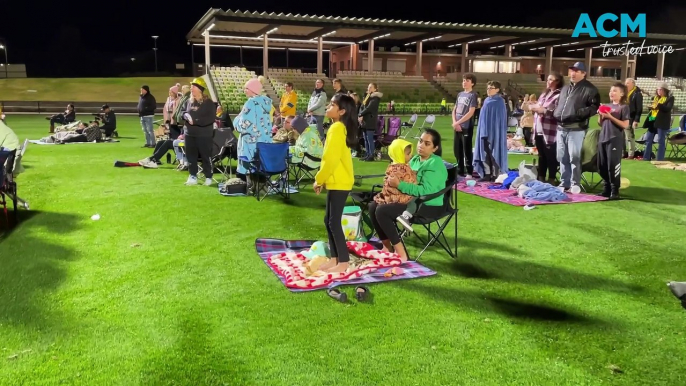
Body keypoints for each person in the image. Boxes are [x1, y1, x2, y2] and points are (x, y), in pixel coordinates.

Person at [368, 129, 447, 262]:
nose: (421, 145)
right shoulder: (414, 159)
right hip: (409, 199)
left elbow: (425, 190)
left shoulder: (436, 164)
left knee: (382, 211)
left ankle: (401, 253)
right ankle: (387, 247)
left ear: (435, 148)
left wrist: (399, 185)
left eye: (427, 143)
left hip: (426, 204)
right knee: (373, 205)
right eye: (420, 141)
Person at [312, 94, 357, 274]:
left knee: (333, 222)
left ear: (342, 111)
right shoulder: (337, 127)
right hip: (336, 181)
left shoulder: (337, 128)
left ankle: (343, 261)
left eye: (332, 104)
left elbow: (329, 159)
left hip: (340, 182)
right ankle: (335, 258)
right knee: (328, 220)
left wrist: (319, 179)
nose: (328, 107)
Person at [553, 62, 600, 191]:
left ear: (583, 73)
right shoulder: (565, 88)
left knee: (574, 156)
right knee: (562, 157)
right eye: (571, 71)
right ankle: (564, 183)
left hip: (577, 128)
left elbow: (594, 107)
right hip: (561, 127)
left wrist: (581, 113)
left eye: (576, 71)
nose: (572, 73)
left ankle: (575, 183)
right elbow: (560, 104)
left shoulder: (590, 89)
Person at [370, 139, 420, 232]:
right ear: (400, 154)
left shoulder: (391, 167)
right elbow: (411, 183)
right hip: (402, 198)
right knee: (414, 201)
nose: (410, 156)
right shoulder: (404, 168)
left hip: (389, 197)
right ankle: (406, 216)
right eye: (408, 154)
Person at [234, 78, 273, 193]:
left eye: (246, 88)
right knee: (261, 163)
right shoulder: (266, 103)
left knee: (250, 163)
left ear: (252, 90)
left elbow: (244, 124)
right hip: (264, 140)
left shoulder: (250, 103)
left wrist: (236, 122)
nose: (244, 90)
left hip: (250, 142)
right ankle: (262, 188)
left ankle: (250, 188)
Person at [597, 82, 630, 200]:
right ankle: (606, 189)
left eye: (615, 90)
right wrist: (601, 115)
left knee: (613, 165)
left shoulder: (623, 107)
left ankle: (614, 191)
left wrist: (610, 116)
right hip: (603, 138)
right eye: (611, 90)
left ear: (622, 94)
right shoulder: (607, 105)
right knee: (601, 165)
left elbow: (625, 125)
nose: (612, 92)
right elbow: (600, 123)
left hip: (614, 139)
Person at [182, 78, 217, 186]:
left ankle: (208, 177)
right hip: (189, 134)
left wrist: (195, 121)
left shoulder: (208, 103)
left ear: (200, 89)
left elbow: (210, 118)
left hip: (204, 135)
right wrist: (185, 115)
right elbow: (181, 113)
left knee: (206, 156)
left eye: (194, 86)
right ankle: (193, 176)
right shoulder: (188, 101)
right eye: (191, 86)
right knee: (190, 156)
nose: (191, 88)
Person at [530, 72, 563, 184]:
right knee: (541, 155)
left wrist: (543, 111)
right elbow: (538, 107)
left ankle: (552, 178)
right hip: (539, 129)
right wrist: (533, 107)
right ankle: (541, 177)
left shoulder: (559, 95)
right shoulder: (544, 94)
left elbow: (558, 113)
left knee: (550, 156)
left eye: (551, 79)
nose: (548, 81)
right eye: (548, 79)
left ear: (557, 81)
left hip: (550, 131)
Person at [473, 81, 508, 181]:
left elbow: (499, 119)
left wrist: (495, 131)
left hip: (494, 131)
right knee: (484, 152)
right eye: (488, 88)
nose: (488, 90)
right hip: (484, 131)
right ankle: (487, 173)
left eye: (491, 88)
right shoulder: (487, 100)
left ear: (497, 90)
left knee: (494, 151)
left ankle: (495, 174)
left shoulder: (500, 102)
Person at [452, 73, 478, 177]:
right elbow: (454, 109)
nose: (464, 82)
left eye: (467, 80)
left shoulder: (473, 95)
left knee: (466, 149)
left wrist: (458, 123)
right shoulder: (460, 94)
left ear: (472, 83)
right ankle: (460, 170)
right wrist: (454, 122)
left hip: (466, 126)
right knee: (457, 149)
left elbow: (471, 112)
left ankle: (469, 172)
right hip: (457, 126)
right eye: (463, 80)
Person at [643, 83, 674, 162]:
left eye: (661, 89)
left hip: (662, 122)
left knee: (661, 141)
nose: (659, 91)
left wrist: (658, 105)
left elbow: (667, 108)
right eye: (658, 89)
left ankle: (659, 159)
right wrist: (651, 107)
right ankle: (646, 158)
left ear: (665, 90)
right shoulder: (655, 98)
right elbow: (653, 109)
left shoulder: (670, 98)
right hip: (652, 120)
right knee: (648, 140)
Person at [358, 83, 382, 162]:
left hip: (370, 120)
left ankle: (371, 155)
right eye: (368, 87)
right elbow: (362, 106)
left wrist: (361, 114)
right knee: (365, 138)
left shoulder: (375, 98)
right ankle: (367, 154)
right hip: (365, 121)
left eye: (371, 87)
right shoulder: (367, 97)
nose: (369, 88)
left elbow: (369, 108)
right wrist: (360, 114)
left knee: (369, 138)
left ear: (375, 89)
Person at [624, 78, 643, 159]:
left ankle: (631, 154)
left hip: (631, 118)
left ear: (633, 84)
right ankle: (623, 153)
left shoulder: (637, 94)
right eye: (625, 83)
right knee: (623, 136)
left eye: (628, 83)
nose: (626, 85)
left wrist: (636, 120)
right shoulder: (626, 93)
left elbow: (639, 108)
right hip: (623, 117)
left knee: (629, 136)